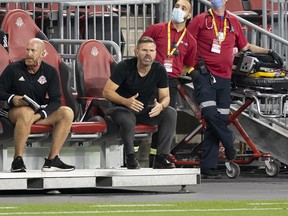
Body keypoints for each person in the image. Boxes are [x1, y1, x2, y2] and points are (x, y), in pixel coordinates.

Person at [187, 0, 283, 178]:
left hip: (224, 78)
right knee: (209, 114)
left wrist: (268, 51)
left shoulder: (233, 22)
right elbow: (186, 44)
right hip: (204, 75)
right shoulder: (200, 20)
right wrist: (191, 70)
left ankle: (208, 167)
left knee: (219, 120)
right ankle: (228, 144)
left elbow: (245, 47)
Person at [0, 38, 75, 173]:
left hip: (38, 112)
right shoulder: (13, 68)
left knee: (67, 112)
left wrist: (40, 115)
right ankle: (17, 160)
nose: (28, 54)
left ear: (42, 54)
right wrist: (12, 98)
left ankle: (52, 160)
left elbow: (56, 101)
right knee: (26, 112)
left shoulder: (50, 71)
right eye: (27, 50)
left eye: (33, 51)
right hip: (14, 111)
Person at [103, 36, 177, 169]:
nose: (148, 54)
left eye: (151, 51)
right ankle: (130, 157)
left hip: (143, 109)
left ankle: (162, 156)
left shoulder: (159, 69)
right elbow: (107, 92)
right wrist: (126, 101)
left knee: (170, 112)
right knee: (128, 119)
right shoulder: (124, 67)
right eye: (144, 50)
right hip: (120, 108)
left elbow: (165, 96)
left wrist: (161, 106)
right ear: (136, 51)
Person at [141, 0, 197, 163]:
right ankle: (131, 156)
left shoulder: (190, 40)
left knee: (165, 118)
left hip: (169, 82)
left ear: (188, 15)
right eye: (177, 6)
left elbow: (188, 64)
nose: (178, 10)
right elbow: (140, 49)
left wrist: (176, 71)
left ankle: (157, 156)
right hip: (148, 79)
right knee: (140, 114)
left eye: (183, 8)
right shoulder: (156, 29)